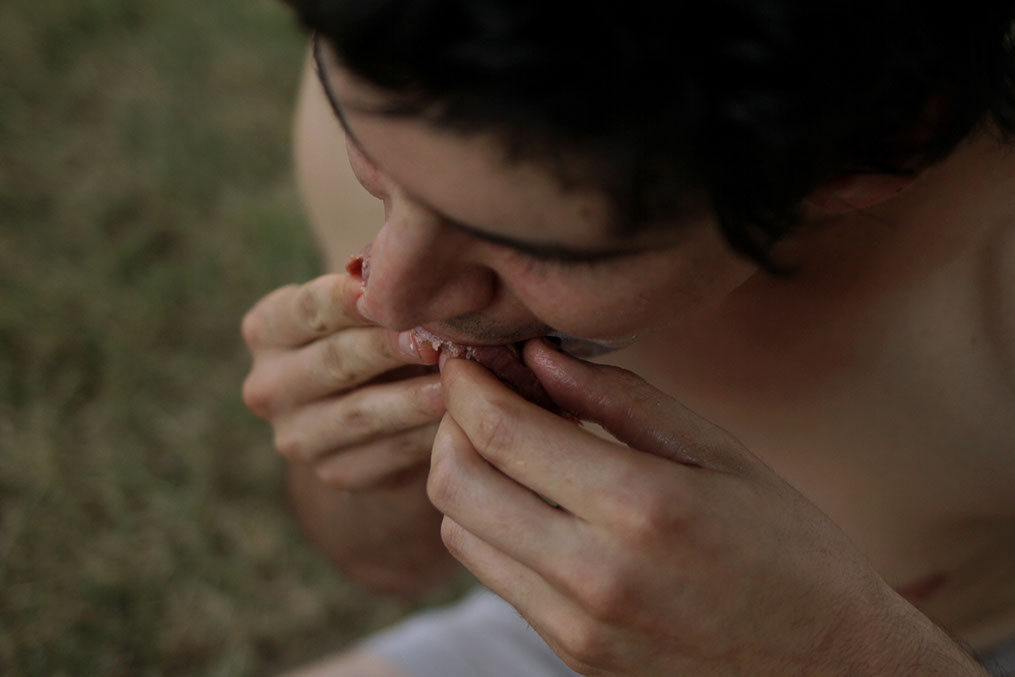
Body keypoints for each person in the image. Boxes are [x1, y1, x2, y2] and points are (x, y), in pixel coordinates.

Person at [241, 2, 1015, 675]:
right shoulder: (405, 71)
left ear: (856, 160)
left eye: (537, 246)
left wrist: (840, 650)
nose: (389, 291)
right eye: (370, 155)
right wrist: (368, 456)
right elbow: (381, 562)